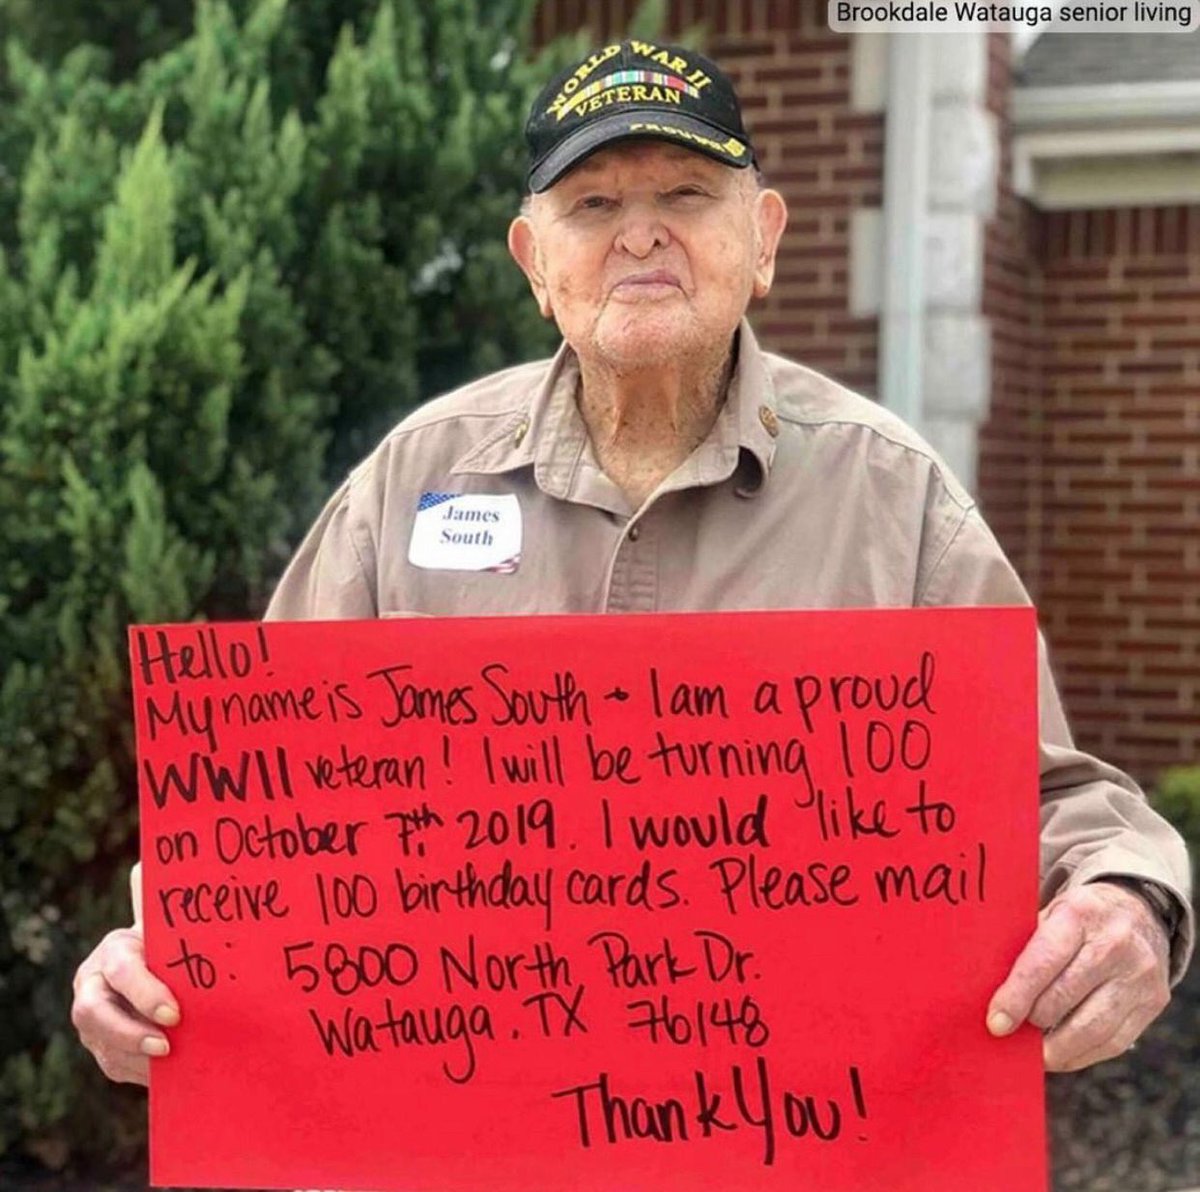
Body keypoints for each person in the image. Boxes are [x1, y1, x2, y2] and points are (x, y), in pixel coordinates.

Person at [73, 38, 1190, 1092]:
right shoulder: (410, 483)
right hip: (469, 1133)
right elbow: (259, 816)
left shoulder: (894, 498)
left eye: (686, 196)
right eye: (594, 204)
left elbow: (1048, 798)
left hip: (797, 1137)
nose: (640, 235)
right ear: (533, 260)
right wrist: (154, 966)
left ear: (763, 239)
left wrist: (1126, 901)